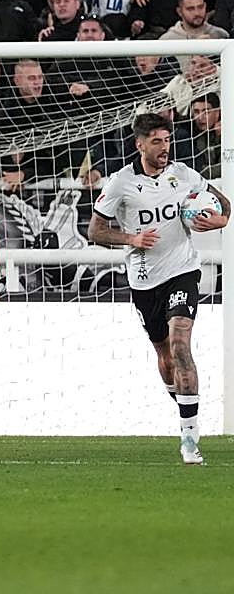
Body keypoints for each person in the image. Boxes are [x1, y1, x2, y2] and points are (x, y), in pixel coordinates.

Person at [88, 113, 230, 465]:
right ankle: (184, 406)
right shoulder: (121, 183)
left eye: (167, 140)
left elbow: (224, 205)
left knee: (181, 343)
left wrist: (220, 220)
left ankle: (189, 439)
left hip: (182, 271)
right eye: (156, 141)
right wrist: (131, 238)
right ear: (140, 144)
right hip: (143, 279)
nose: (164, 147)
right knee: (165, 357)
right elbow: (95, 231)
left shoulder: (183, 175)